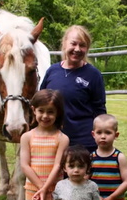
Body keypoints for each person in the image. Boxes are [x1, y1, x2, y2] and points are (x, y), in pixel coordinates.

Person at [40, 25, 107, 154]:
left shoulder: (93, 75)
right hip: (53, 139)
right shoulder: (52, 71)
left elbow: (100, 111)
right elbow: (40, 103)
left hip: (83, 143)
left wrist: (101, 141)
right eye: (73, 44)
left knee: (80, 175)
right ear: (64, 44)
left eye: (82, 45)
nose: (77, 49)